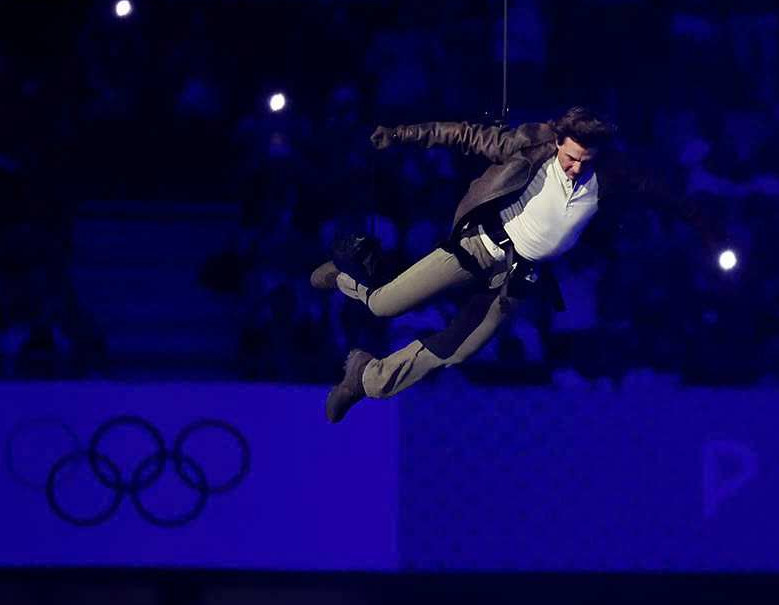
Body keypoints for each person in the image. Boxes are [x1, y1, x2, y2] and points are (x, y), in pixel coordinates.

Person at [311, 106, 726, 422]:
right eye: (571, 158)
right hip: (479, 247)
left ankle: (367, 377)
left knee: (458, 350)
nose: (577, 168)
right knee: (384, 305)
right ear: (559, 141)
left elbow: (663, 194)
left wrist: (705, 225)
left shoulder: (610, 173)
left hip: (515, 276)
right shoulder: (531, 145)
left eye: (586, 160)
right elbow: (464, 135)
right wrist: (401, 135)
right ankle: (343, 277)